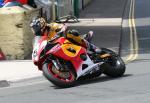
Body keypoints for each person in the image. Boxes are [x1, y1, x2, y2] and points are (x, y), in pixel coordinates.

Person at [30, 17, 101, 53]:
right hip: (56, 50)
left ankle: (92, 47)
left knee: (71, 33)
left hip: (65, 43)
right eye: (33, 28)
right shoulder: (39, 38)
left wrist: (62, 29)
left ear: (42, 24)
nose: (35, 29)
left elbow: (63, 26)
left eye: (36, 27)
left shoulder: (52, 26)